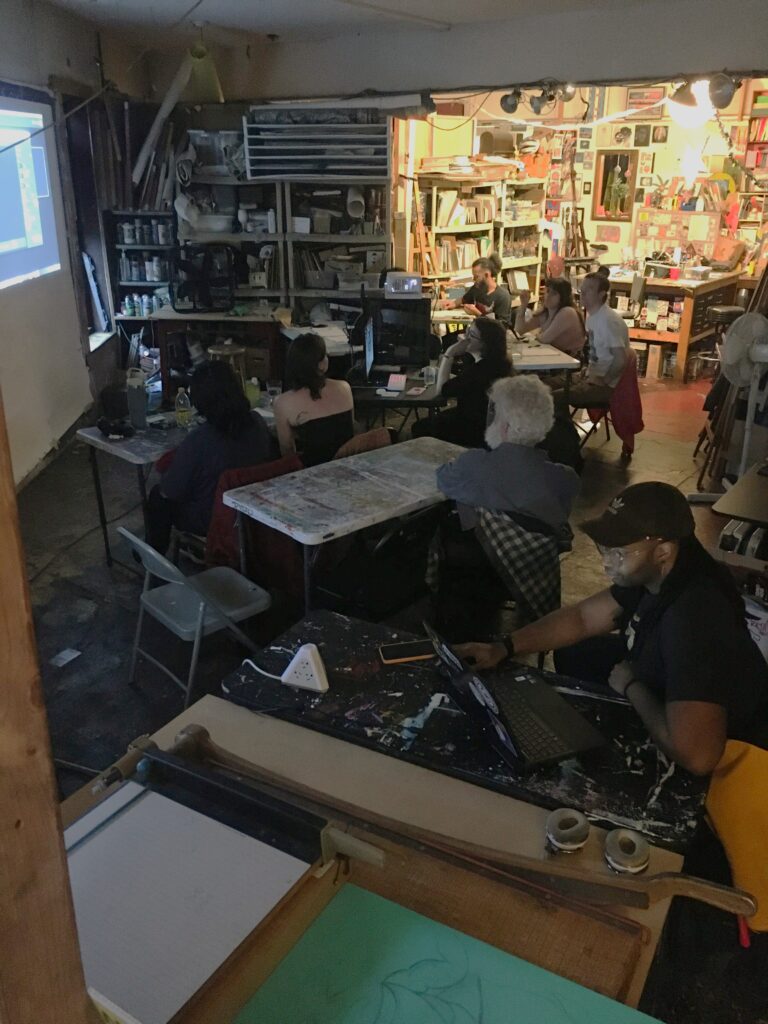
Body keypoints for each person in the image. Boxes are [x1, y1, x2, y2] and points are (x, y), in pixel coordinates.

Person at [457, 482, 768, 774]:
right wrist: (504, 647)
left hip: (733, 749)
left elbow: (699, 757)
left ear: (663, 551)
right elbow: (583, 618)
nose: (607, 563)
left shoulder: (694, 619)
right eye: (604, 549)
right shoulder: (661, 572)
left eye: (618, 553)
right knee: (577, 652)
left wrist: (632, 686)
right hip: (667, 676)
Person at [433, 376, 579, 639]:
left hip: (474, 571)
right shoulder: (565, 479)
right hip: (533, 571)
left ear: (504, 425)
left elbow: (443, 478)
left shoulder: (474, 465)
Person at [146, 361, 272, 554]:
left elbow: (170, 490)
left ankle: (150, 558)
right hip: (253, 511)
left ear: (200, 401)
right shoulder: (257, 422)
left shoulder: (200, 440)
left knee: (158, 497)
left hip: (213, 518)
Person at [412, 318, 510, 448]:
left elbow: (442, 390)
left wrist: (449, 354)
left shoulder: (479, 371)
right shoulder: (500, 364)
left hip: (473, 428)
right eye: (467, 330)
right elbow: (464, 382)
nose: (465, 337)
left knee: (420, 427)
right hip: (488, 421)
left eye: (471, 334)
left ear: (485, 344)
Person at [274, 332, 354, 467]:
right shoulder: (345, 387)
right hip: (348, 465)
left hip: (312, 471)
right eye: (325, 355)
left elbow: (287, 453)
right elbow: (351, 428)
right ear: (321, 365)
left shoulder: (282, 402)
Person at [555, 271, 629, 409]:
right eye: (582, 288)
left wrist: (604, 380)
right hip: (589, 375)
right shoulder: (593, 316)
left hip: (602, 385)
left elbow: (621, 359)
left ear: (601, 294)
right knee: (542, 386)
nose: (582, 292)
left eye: (589, 289)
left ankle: (563, 423)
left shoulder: (608, 321)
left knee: (549, 397)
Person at [514, 277, 585, 356]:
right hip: (555, 357)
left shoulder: (568, 312)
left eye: (554, 293)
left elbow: (545, 339)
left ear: (563, 297)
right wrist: (523, 305)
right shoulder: (545, 313)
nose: (548, 296)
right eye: (547, 291)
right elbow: (519, 330)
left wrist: (536, 335)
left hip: (571, 360)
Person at [442, 253, 512, 323]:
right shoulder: (477, 288)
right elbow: (463, 299)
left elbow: (500, 327)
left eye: (476, 276)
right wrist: (453, 304)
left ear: (487, 275)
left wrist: (477, 313)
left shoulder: (503, 296)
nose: (474, 279)